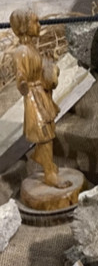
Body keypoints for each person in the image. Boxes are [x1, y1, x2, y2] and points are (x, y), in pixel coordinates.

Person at [10, 10, 68, 188]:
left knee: (49, 130)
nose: (39, 26)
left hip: (41, 94)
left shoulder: (31, 48)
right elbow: (21, 75)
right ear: (25, 27)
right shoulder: (21, 52)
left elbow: (40, 69)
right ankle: (49, 173)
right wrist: (23, 84)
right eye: (35, 22)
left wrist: (49, 68)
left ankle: (41, 158)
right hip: (33, 97)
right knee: (44, 135)